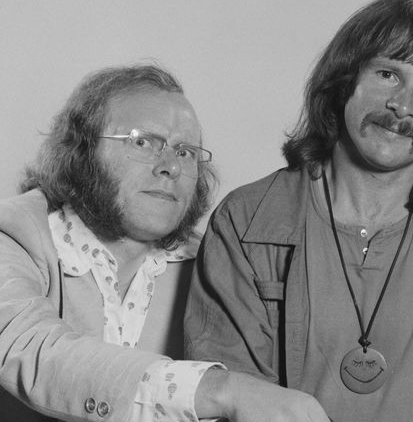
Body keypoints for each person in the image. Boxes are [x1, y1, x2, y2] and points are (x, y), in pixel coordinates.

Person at [185, 0, 413, 422]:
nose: (403, 106)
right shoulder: (248, 220)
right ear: (345, 81)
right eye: (388, 74)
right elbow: (227, 401)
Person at [0, 64, 327, 422]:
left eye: (185, 151)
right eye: (142, 141)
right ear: (82, 149)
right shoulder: (13, 233)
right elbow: (29, 347)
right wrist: (222, 390)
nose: (170, 166)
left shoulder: (217, 262)